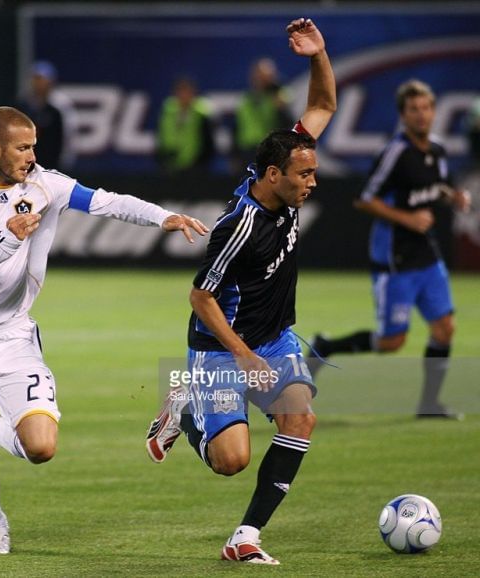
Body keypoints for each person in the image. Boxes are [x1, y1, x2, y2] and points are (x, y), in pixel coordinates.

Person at [0, 105, 208, 554]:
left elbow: (106, 201)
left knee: (41, 447)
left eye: (34, 146)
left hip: (13, 336)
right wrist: (8, 238)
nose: (32, 156)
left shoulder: (45, 185)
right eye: (23, 147)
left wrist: (162, 217)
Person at [145, 18, 336, 565]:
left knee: (300, 418)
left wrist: (318, 55)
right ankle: (183, 406)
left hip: (273, 339)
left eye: (314, 172)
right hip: (220, 347)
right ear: (274, 175)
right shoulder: (239, 227)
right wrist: (244, 356)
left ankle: (245, 537)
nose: (313, 182)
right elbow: (200, 298)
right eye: (305, 175)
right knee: (232, 461)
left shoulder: (288, 169)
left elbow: (323, 105)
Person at [307, 79, 471, 419]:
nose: (422, 115)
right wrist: (406, 218)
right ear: (403, 115)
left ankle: (429, 404)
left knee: (445, 328)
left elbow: (435, 185)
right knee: (391, 342)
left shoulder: (437, 151)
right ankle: (325, 346)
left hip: (426, 253)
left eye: (426, 108)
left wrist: (453, 197)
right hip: (395, 258)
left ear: (434, 111)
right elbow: (364, 198)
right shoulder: (395, 152)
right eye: (414, 109)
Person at [231, 56, 293, 174]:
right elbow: (237, 128)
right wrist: (234, 154)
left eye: (264, 76)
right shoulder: (246, 99)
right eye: (257, 75)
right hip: (247, 152)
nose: (259, 79)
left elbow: (288, 123)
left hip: (269, 152)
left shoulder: (279, 97)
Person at [16, 60, 74, 171]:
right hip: (29, 161)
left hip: (52, 162)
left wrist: (64, 160)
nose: (37, 83)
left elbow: (68, 134)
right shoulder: (24, 103)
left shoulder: (60, 104)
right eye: (35, 79)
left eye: (40, 79)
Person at [155, 75, 215, 175]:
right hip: (170, 165)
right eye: (180, 92)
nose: (184, 96)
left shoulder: (201, 112)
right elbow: (161, 137)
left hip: (195, 167)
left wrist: (201, 163)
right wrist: (163, 159)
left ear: (193, 93)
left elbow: (208, 142)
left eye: (187, 92)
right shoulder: (168, 111)